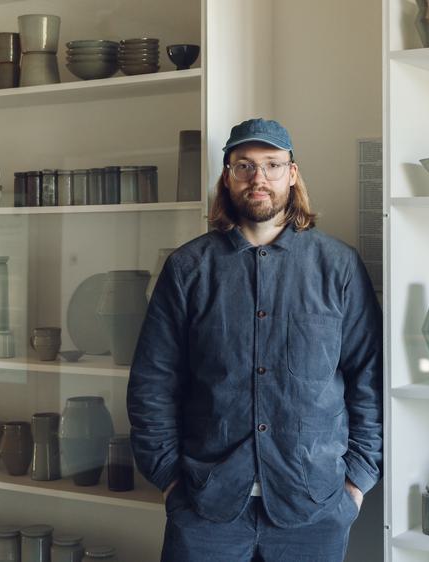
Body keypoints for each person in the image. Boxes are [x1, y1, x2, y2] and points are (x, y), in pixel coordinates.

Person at [127, 118, 383, 562]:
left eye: (272, 165)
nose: (258, 178)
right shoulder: (188, 269)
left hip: (314, 507)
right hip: (207, 509)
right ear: (227, 176)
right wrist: (170, 480)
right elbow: (153, 381)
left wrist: (356, 483)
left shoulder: (338, 267)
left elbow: (369, 380)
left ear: (293, 173)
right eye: (244, 165)